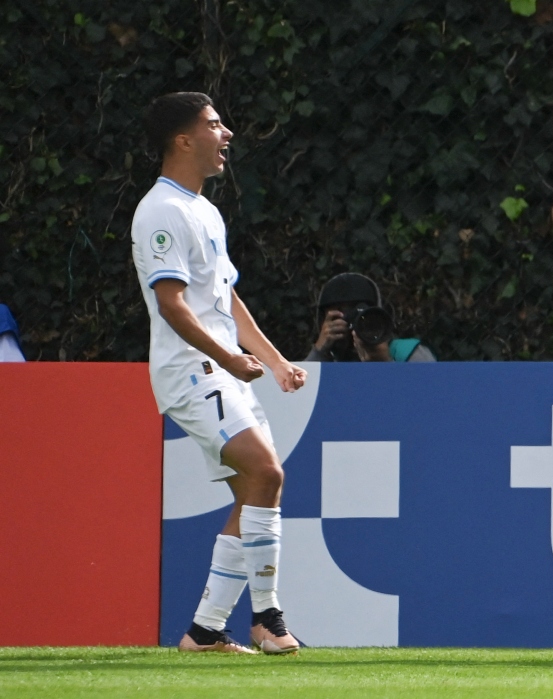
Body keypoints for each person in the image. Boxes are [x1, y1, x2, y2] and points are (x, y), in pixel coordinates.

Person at [131, 92, 306, 655]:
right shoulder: (161, 210)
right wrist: (229, 359)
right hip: (192, 371)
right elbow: (173, 304)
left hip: (220, 371)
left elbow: (225, 299)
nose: (226, 132)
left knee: (254, 490)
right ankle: (268, 618)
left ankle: (205, 632)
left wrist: (274, 360)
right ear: (183, 140)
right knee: (267, 472)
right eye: (213, 124)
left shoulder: (204, 209)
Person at [305, 272, 435, 363]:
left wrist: (385, 362)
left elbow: (432, 395)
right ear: (324, 321)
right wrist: (319, 351)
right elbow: (298, 397)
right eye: (340, 311)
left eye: (358, 310)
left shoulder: (407, 353)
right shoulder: (326, 362)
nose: (351, 318)